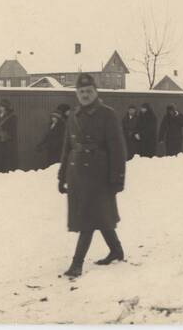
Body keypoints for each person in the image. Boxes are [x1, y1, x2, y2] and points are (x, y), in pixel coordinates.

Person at [58, 73, 126, 278]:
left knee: (87, 217)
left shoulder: (108, 114)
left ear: (96, 92)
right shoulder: (73, 115)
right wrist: (62, 175)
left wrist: (118, 178)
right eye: (81, 92)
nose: (85, 95)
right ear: (76, 94)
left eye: (89, 91)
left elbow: (118, 148)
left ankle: (77, 263)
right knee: (98, 215)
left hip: (99, 175)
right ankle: (116, 250)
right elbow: (67, 147)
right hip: (77, 174)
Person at [0, 99, 18, 173]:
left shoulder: (12, 117)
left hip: (8, 142)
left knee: (6, 159)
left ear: (6, 107)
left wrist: (3, 135)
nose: (0, 108)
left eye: (2, 106)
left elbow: (12, 131)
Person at [36, 104, 70, 168]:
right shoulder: (51, 125)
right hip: (51, 149)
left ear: (59, 118)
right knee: (50, 164)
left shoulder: (62, 126)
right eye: (52, 117)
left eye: (55, 117)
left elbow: (61, 138)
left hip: (58, 150)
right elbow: (46, 136)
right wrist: (40, 144)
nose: (53, 118)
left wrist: (47, 145)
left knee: (56, 165)